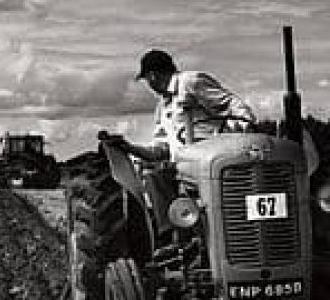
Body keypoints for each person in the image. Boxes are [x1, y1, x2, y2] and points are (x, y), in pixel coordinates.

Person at [102, 48, 256, 225]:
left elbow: (231, 103)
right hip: (183, 169)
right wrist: (129, 147)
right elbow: (161, 149)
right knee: (155, 177)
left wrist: (245, 126)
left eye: (146, 80)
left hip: (211, 162)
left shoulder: (191, 82)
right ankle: (174, 233)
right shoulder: (163, 107)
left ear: (152, 76)